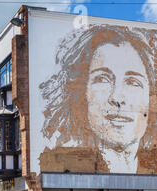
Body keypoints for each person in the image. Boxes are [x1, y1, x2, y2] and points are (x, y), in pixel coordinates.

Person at [39, 26, 157, 174]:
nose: (117, 97)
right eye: (102, 79)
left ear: (150, 97)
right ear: (83, 93)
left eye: (133, 82)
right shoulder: (55, 162)